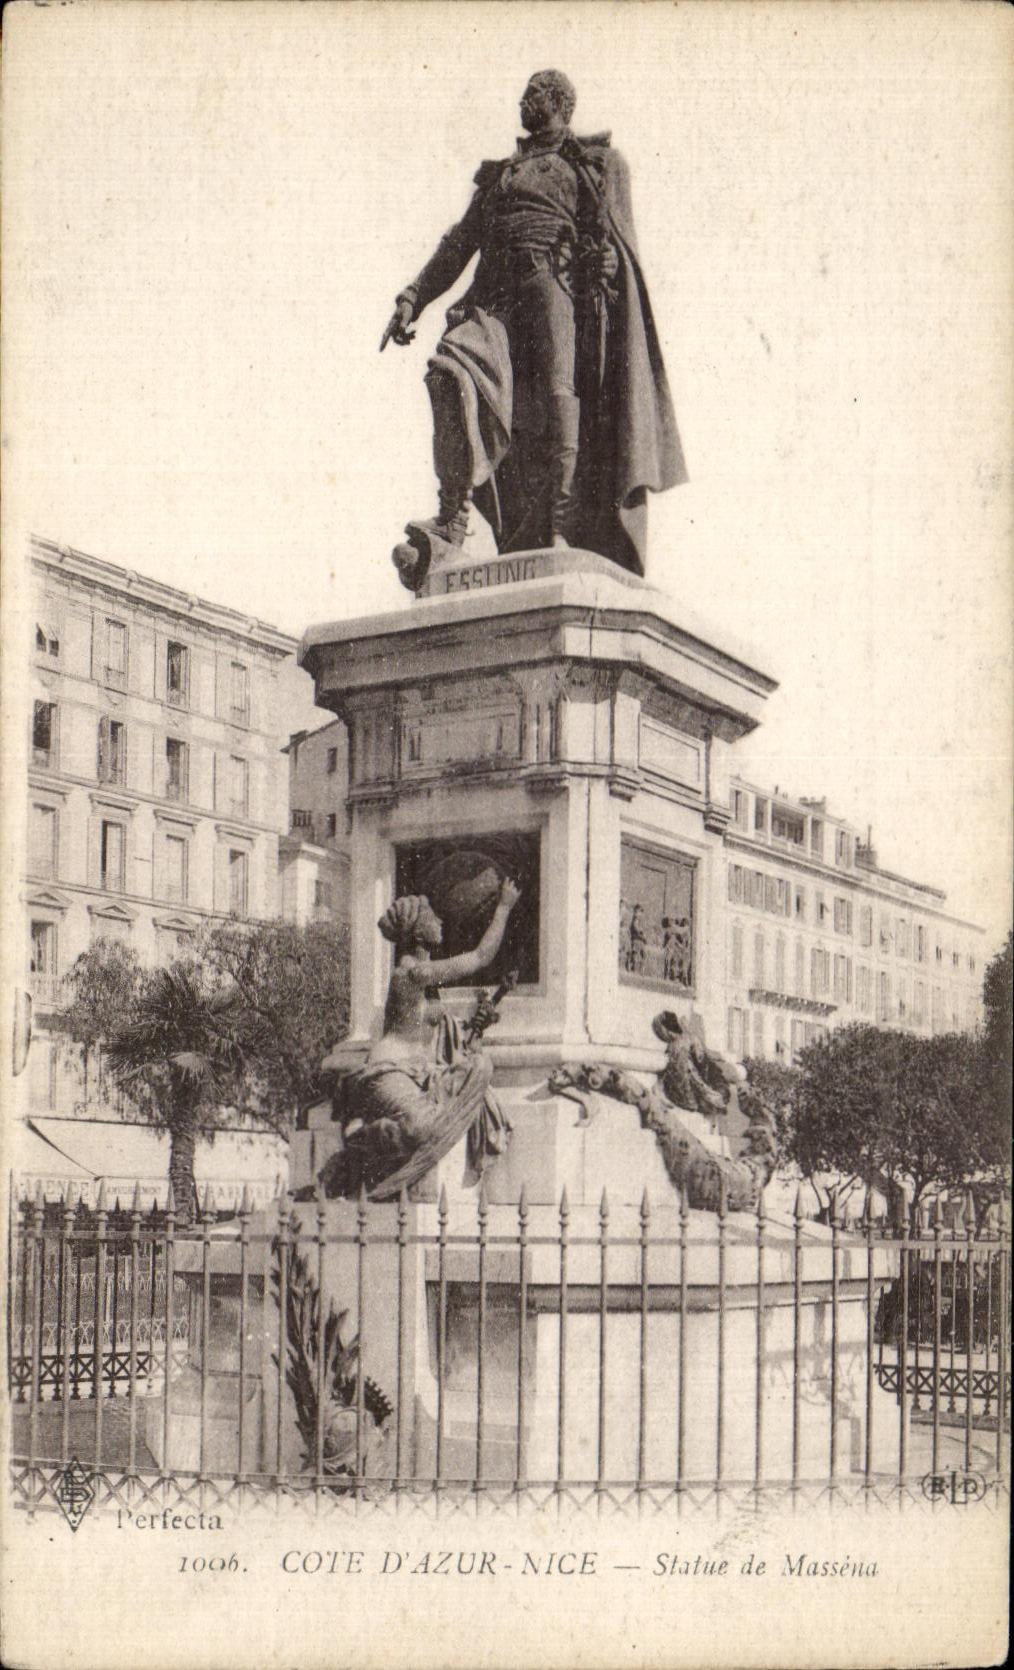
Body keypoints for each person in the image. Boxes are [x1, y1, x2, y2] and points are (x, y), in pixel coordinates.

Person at [381, 70, 686, 583]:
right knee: (448, 372)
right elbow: (459, 243)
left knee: (558, 396)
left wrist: (610, 263)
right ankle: (453, 516)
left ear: (559, 103)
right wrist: (414, 297)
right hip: (494, 295)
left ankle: (561, 526)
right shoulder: (501, 174)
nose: (522, 101)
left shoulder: (596, 163)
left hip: (553, 286)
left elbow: (617, 241)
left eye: (533, 94)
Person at [319, 879, 520, 1200]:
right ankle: (354, 1149)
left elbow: (437, 1025)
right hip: (386, 1075)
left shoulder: (421, 982)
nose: (440, 922)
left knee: (471, 1076)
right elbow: (481, 957)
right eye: (433, 917)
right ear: (417, 932)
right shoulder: (412, 973)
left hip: (411, 1075)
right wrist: (504, 907)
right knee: (424, 1128)